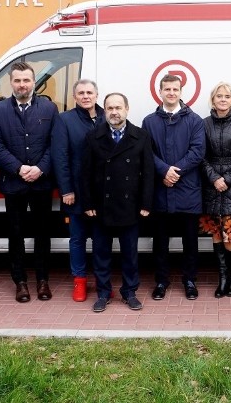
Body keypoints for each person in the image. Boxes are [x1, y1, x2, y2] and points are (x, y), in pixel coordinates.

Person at [0, 62, 60, 303]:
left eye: (26, 80)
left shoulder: (49, 108)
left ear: (33, 82)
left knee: (42, 234)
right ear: (11, 82)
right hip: (13, 182)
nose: (22, 85)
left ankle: (42, 280)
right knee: (15, 234)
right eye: (17, 80)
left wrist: (40, 168)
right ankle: (20, 282)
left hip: (41, 182)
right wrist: (19, 168)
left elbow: (54, 143)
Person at [81, 93, 154, 313]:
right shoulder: (93, 137)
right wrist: (88, 203)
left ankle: (130, 292)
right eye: (110, 108)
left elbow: (148, 172)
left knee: (129, 253)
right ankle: (103, 293)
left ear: (127, 109)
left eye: (118, 107)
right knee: (101, 254)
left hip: (130, 205)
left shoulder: (140, 136)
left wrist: (146, 203)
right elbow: (85, 173)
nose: (114, 112)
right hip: (101, 206)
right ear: (104, 110)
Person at [142, 74, 206, 301]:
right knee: (160, 241)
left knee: (191, 241)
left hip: (187, 189)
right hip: (161, 190)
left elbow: (198, 152)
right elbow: (147, 152)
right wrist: (163, 171)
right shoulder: (149, 121)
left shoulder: (195, 120)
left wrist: (174, 171)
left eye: (175, 89)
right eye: (167, 89)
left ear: (181, 92)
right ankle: (161, 281)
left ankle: (189, 281)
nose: (171, 93)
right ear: (160, 92)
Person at [51, 79, 105, 302]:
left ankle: (103, 282)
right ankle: (80, 281)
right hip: (76, 192)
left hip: (102, 193)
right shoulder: (65, 120)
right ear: (74, 97)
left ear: (96, 94)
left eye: (89, 92)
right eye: (81, 93)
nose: (85, 96)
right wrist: (66, 190)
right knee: (78, 239)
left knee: (102, 239)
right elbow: (60, 157)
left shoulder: (107, 117)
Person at [200, 82, 231, 298]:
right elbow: (200, 155)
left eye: (227, 96)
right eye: (219, 96)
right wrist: (213, 178)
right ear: (213, 100)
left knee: (230, 235)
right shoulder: (203, 124)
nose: (222, 99)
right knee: (216, 235)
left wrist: (226, 180)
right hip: (211, 187)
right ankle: (222, 278)